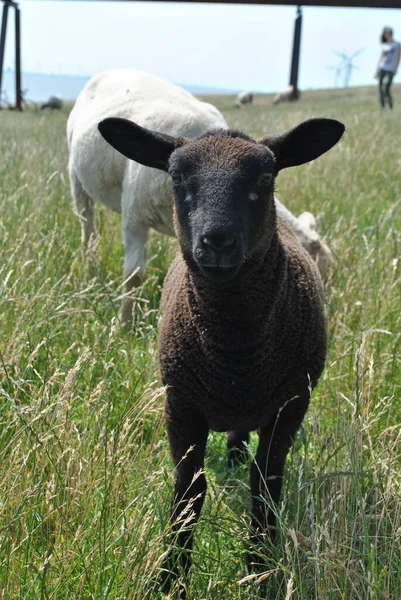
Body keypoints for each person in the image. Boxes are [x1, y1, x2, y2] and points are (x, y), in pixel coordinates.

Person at [375, 27, 401, 109]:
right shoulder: (384, 45)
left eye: (390, 32)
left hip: (390, 69)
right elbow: (381, 57)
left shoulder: (397, 44)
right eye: (387, 33)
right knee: (380, 89)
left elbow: (398, 57)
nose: (388, 34)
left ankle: (390, 107)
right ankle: (383, 108)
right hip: (382, 68)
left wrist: (396, 69)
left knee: (386, 88)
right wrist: (377, 69)